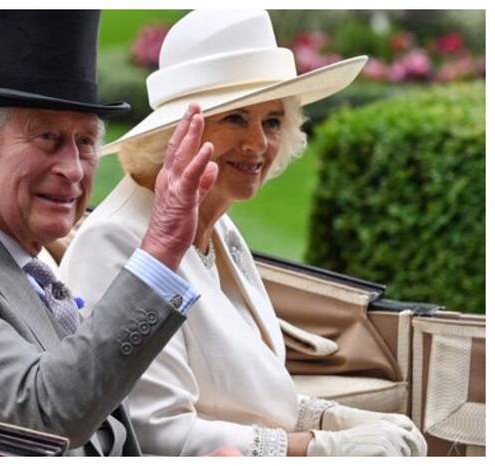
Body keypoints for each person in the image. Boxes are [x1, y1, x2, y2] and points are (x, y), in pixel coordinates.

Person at [0, 11, 230, 457]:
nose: (73, 170)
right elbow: (46, 416)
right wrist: (161, 248)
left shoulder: (22, 255)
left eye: (85, 142)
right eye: (47, 137)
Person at [60, 10, 427, 457]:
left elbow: (252, 398)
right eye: (235, 118)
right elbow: (155, 432)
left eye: (272, 121)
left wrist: (330, 418)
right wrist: (319, 447)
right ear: (178, 133)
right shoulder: (115, 241)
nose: (257, 143)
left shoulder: (220, 226)